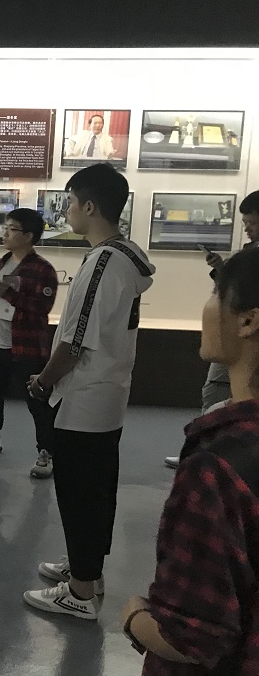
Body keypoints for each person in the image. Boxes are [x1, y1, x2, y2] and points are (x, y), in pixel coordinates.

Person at [23, 163, 155, 620]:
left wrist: (43, 381)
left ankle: (80, 592)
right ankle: (87, 568)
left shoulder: (103, 261)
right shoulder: (126, 254)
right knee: (96, 489)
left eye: (72, 203)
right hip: (108, 392)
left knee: (79, 493)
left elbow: (76, 340)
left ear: (91, 206)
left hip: (85, 395)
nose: (68, 211)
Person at [120, 249, 259, 675]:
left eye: (216, 293)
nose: (208, 306)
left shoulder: (218, 468)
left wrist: (134, 617)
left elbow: (192, 637)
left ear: (248, 321)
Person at [164, 189, 259, 468]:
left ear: (248, 320)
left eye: (252, 222)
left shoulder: (213, 471)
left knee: (217, 391)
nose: (248, 228)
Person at [0, 208, 59, 476]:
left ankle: (46, 451)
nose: (5, 233)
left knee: (36, 399)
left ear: (28, 235)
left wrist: (9, 294)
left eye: (12, 229)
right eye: (4, 228)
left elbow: (42, 308)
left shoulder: (42, 269)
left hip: (26, 344)